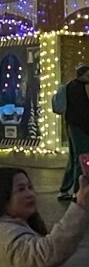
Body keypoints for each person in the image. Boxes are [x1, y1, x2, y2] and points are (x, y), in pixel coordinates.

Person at [58, 64, 89, 201]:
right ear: (82, 74)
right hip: (79, 128)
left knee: (73, 158)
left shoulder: (72, 86)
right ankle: (77, 190)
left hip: (72, 127)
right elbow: (82, 112)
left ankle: (65, 189)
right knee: (80, 159)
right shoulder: (78, 88)